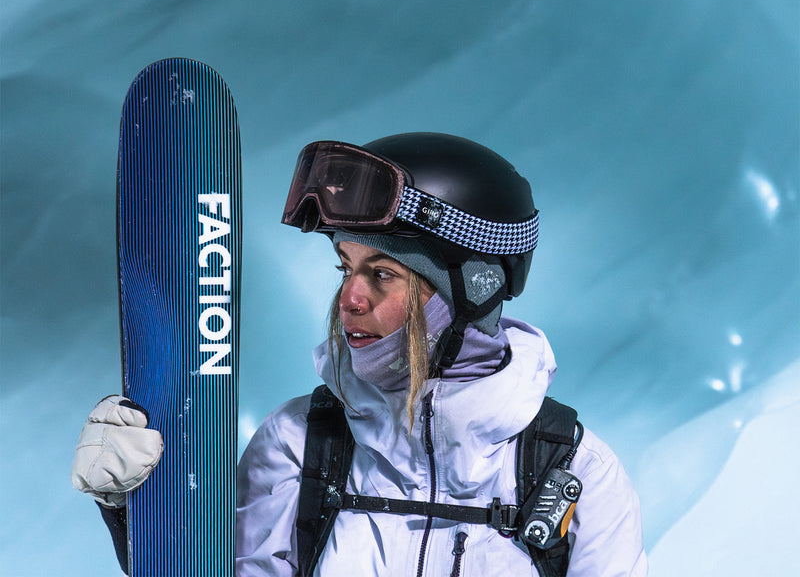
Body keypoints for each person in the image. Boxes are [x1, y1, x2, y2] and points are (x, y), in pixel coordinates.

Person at [72, 132, 647, 576]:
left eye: (383, 273)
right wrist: (140, 512)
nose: (349, 298)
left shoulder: (572, 471)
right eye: (346, 268)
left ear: (472, 287)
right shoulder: (300, 444)